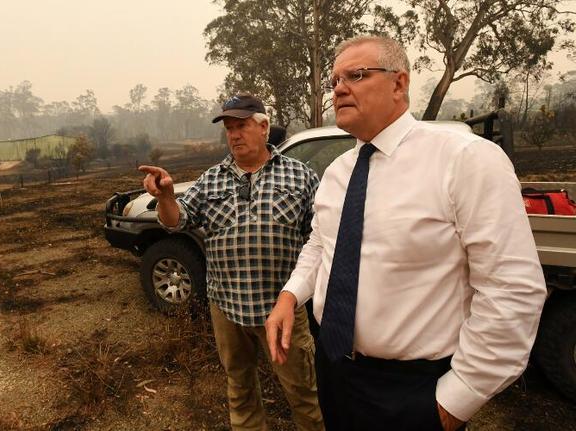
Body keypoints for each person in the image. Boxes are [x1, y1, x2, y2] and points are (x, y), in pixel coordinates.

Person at [265, 35, 546, 431]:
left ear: (400, 83)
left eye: (357, 75)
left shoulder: (464, 159)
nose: (339, 88)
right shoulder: (337, 173)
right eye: (334, 81)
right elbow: (321, 245)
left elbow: (512, 289)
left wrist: (454, 400)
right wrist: (289, 296)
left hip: (413, 390)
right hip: (335, 373)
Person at [139, 94, 324, 431]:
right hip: (227, 308)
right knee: (240, 391)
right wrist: (166, 196)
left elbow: (319, 239)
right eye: (229, 128)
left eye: (242, 126)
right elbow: (175, 221)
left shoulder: (301, 177)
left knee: (304, 394)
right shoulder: (211, 179)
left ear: (264, 127)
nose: (234, 134)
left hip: (281, 309)